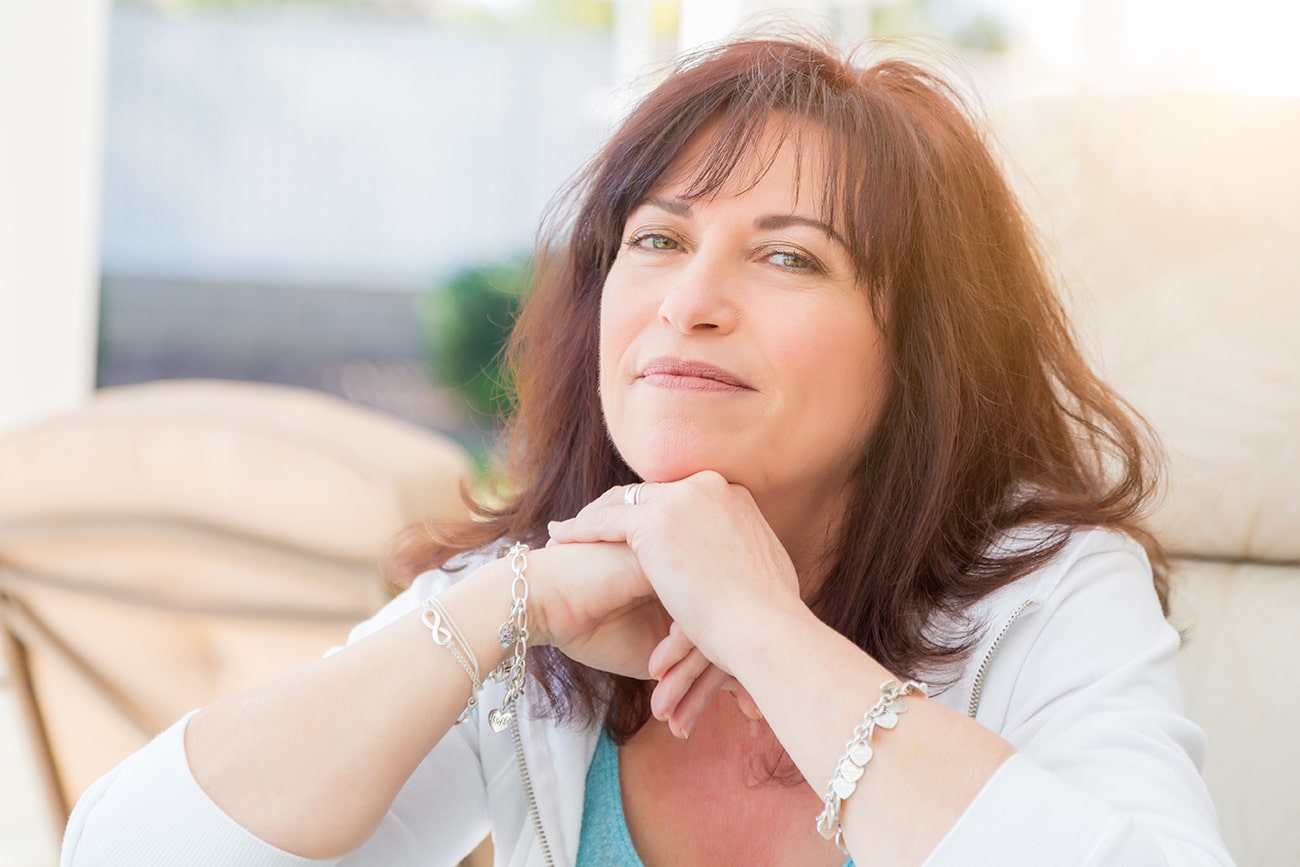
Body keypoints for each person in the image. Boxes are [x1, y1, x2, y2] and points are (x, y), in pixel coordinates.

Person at [62, 35, 1232, 866]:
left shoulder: (1045, 591)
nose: (689, 302)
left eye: (788, 258)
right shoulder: (552, 593)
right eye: (658, 238)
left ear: (917, 354)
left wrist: (765, 633)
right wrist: (497, 607)